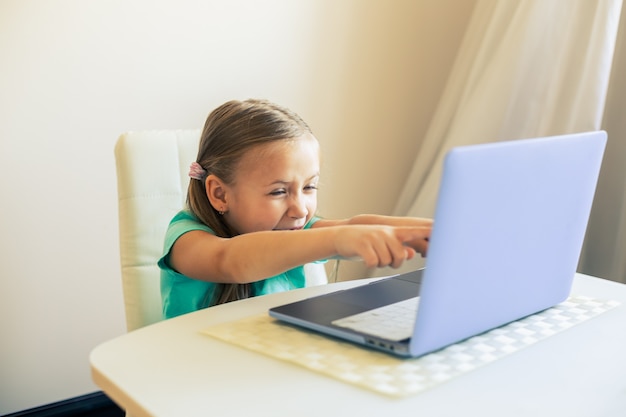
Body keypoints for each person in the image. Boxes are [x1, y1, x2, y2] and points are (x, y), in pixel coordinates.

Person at [158, 99, 432, 319]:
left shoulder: (295, 228)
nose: (300, 210)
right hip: (198, 373)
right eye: (279, 191)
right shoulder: (186, 239)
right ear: (220, 194)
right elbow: (231, 261)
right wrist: (337, 240)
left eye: (310, 187)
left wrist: (423, 231)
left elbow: (351, 226)